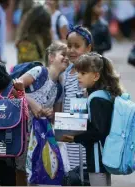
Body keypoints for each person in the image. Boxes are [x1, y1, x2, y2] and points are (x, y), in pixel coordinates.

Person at [62, 52, 124, 186]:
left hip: (97, 157)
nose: (78, 76)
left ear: (96, 76)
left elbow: (97, 131)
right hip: (105, 155)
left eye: (83, 73)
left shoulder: (95, 99)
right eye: (78, 72)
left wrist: (75, 138)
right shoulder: (104, 94)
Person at [15, 41, 69, 185]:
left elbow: (57, 118)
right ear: (51, 57)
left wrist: (50, 113)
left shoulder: (59, 87)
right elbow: (14, 88)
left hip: (38, 134)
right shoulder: (39, 71)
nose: (66, 58)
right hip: (22, 130)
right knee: (21, 170)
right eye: (63, 54)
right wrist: (32, 103)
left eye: (68, 56)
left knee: (36, 169)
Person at [59, 25, 93, 173]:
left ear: (88, 48)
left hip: (82, 131)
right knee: (70, 168)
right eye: (69, 46)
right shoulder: (65, 72)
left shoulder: (90, 73)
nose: (72, 50)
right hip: (69, 128)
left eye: (77, 46)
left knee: (82, 167)